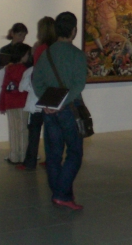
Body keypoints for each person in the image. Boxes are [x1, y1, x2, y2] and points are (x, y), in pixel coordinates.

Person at [33, 12, 87, 210]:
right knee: (74, 153)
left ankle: (61, 194)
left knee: (53, 155)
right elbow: (79, 85)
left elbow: (36, 81)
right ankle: (62, 194)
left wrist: (48, 102)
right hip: (69, 109)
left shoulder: (46, 53)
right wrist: (63, 102)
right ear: (74, 31)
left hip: (49, 111)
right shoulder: (77, 55)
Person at [17, 17, 57, 171]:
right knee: (52, 129)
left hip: (40, 92)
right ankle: (52, 160)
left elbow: (37, 71)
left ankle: (30, 161)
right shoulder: (57, 48)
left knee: (34, 128)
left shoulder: (40, 48)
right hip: (54, 91)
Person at [0, 42, 32, 164]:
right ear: (22, 55)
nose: (28, 56)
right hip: (22, 102)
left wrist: (2, 105)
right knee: (23, 129)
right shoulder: (26, 70)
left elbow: (4, 87)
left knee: (13, 129)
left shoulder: (8, 69)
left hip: (10, 103)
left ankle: (14, 155)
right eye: (27, 54)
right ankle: (23, 156)